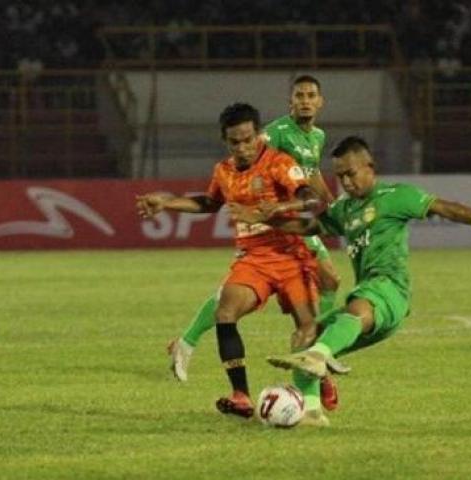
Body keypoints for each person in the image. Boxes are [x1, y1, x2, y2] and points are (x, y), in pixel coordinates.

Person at [231, 136, 471, 412]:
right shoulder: (344, 209)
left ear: (370, 168)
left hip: (390, 292)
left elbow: (445, 208)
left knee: (348, 314)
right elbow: (310, 226)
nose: (346, 182)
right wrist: (267, 219)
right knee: (304, 335)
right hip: (369, 303)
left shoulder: (397, 196)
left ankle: (319, 356)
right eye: (340, 176)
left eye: (351, 173)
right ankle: (311, 411)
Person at [136, 103, 328, 425]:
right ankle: (241, 396)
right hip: (254, 258)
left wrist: (275, 209)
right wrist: (167, 202)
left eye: (248, 139)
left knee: (306, 330)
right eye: (234, 142)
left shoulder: (279, 164)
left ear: (259, 135)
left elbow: (311, 200)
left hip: (291, 255)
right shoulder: (223, 171)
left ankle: (317, 392)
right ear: (225, 141)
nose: (242, 148)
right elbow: (209, 203)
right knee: (226, 312)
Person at [167, 75, 345, 409]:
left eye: (311, 96)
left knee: (323, 292)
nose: (305, 101)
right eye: (299, 96)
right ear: (289, 101)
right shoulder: (273, 134)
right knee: (232, 302)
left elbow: (312, 175)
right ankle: (195, 348)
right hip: (272, 234)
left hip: (290, 229)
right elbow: (252, 162)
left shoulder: (316, 136)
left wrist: (331, 204)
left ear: (320, 101)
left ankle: (321, 367)